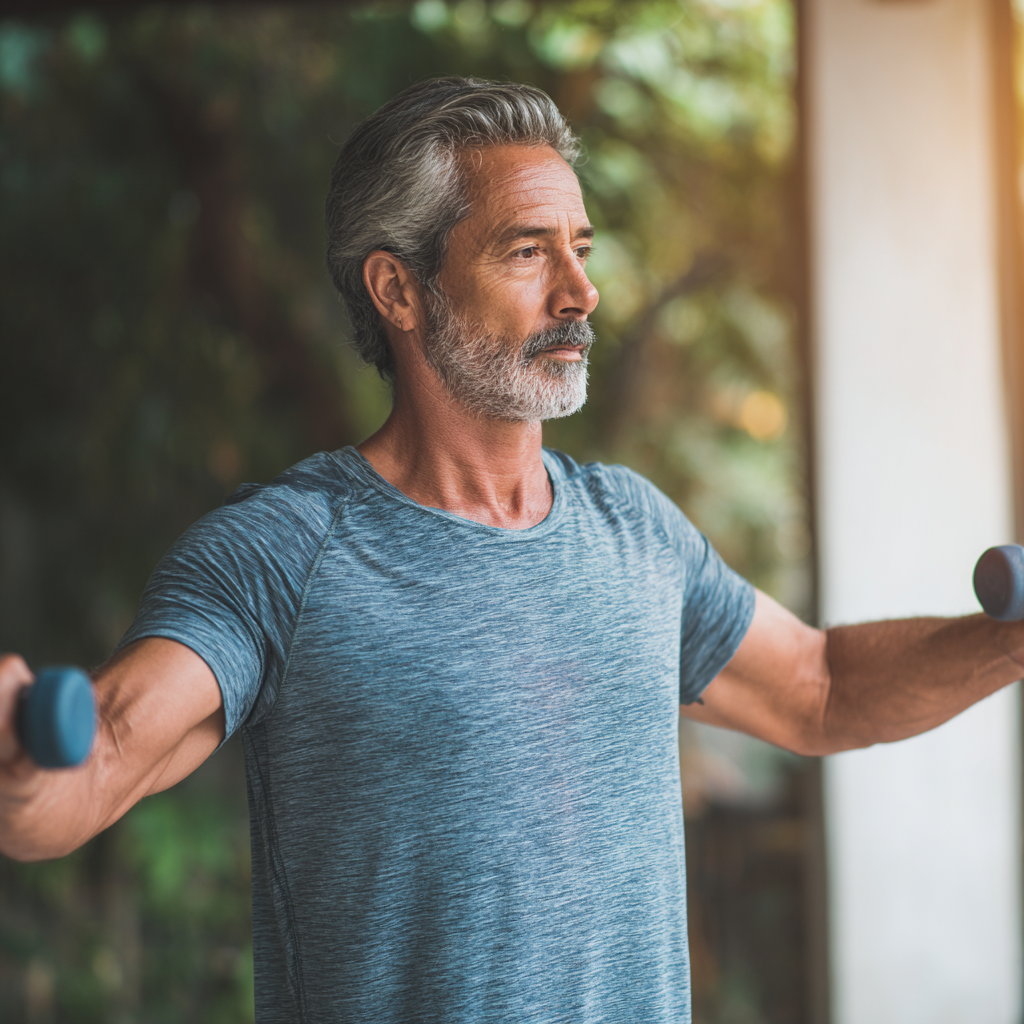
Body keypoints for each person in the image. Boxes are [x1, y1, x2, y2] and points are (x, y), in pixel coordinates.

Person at [0, 76, 1019, 1023]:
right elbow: (102, 763)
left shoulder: (634, 530)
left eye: (582, 246)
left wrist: (1006, 645)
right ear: (397, 290)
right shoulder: (282, 555)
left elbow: (820, 687)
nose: (581, 291)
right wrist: (22, 766)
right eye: (527, 251)